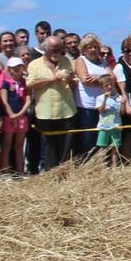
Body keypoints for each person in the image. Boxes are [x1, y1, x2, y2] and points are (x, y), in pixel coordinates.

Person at [27, 35, 76, 171]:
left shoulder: (67, 61)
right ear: (45, 49)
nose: (57, 53)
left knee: (66, 145)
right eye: (54, 50)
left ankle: (64, 172)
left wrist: (70, 79)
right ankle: (50, 172)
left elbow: (74, 83)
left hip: (66, 110)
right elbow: (30, 84)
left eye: (60, 50)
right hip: (45, 112)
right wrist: (54, 78)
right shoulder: (34, 64)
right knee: (49, 146)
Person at [0, 55, 30, 175]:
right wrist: (12, 115)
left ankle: (21, 172)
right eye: (13, 67)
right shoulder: (6, 83)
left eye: (18, 66)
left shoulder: (25, 82)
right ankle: (6, 173)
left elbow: (28, 100)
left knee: (19, 146)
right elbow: (4, 100)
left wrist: (20, 114)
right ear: (9, 69)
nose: (16, 69)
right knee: (7, 146)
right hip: (9, 117)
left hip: (22, 117)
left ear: (22, 67)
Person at [94, 73, 125, 166]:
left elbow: (122, 113)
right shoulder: (99, 98)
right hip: (104, 126)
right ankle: (102, 165)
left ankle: (114, 166)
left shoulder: (118, 98)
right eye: (106, 85)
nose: (109, 87)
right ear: (101, 87)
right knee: (102, 147)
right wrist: (105, 99)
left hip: (116, 126)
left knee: (115, 147)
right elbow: (101, 110)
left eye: (111, 84)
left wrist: (123, 104)